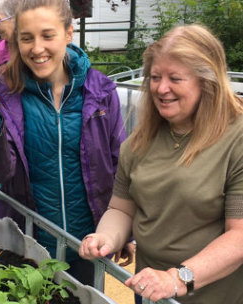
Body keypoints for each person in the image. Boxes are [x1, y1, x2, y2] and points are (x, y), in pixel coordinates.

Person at [79, 24, 243, 304]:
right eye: (155, 77)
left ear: (207, 81)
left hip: (214, 294)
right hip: (152, 290)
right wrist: (106, 237)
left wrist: (177, 278)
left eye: (175, 78)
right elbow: (121, 208)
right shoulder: (139, 141)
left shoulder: (236, 137)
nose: (161, 88)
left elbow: (239, 236)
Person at [0, 0, 126, 285]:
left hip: (88, 244)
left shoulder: (100, 92)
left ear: (68, 33)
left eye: (47, 35)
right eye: (26, 38)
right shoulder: (5, 94)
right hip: (30, 246)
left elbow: (121, 165)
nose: (37, 48)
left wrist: (124, 230)